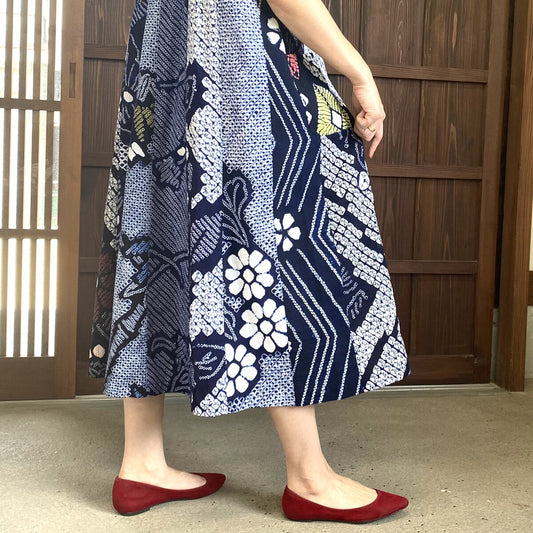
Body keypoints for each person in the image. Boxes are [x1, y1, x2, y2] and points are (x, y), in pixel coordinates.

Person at [88, 0, 411, 524]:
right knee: (269, 245)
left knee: (156, 226)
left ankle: (142, 463)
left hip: (166, 59)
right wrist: (359, 72)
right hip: (240, 71)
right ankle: (310, 479)